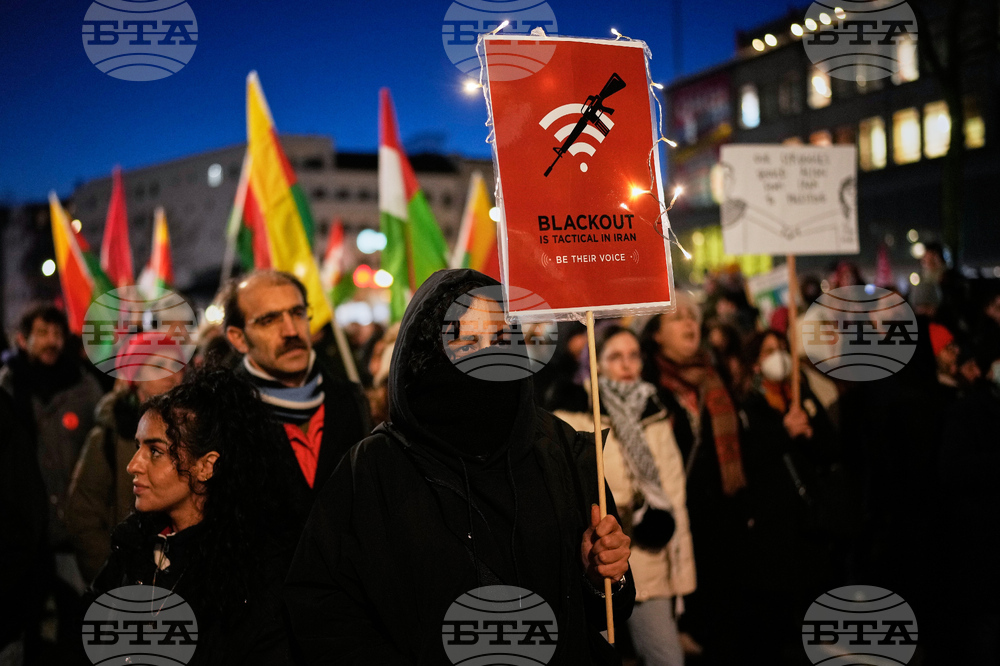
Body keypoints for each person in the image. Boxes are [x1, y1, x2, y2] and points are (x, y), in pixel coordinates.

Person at [285, 269, 634, 664]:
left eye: (501, 340)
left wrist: (604, 576)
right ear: (429, 355)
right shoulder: (374, 468)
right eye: (467, 344)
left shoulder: (559, 449)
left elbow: (608, 605)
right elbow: (323, 610)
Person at [87, 367, 300, 665]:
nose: (133, 465)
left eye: (155, 451)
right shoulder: (133, 547)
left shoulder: (250, 570)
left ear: (206, 466)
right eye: (138, 447)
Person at [556, 325, 694, 666]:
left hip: (651, 563)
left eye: (634, 356)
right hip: (600, 566)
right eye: (615, 357)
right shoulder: (573, 417)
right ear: (597, 362)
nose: (627, 365)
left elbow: (675, 496)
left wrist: (680, 575)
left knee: (667, 658)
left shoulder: (654, 414)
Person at [639, 299, 749, 664]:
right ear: (656, 334)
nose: (690, 324)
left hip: (723, 518)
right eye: (678, 318)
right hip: (680, 522)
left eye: (693, 317)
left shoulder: (713, 374)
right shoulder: (647, 386)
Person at [0, 303, 105, 660]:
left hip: (70, 530)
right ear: (23, 339)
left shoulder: (84, 386)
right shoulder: (9, 387)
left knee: (76, 616)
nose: (52, 341)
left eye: (58, 333)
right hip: (24, 528)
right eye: (42, 333)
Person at [220, 270, 372, 518]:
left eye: (298, 313)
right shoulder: (220, 412)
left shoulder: (351, 399)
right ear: (238, 339)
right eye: (269, 320)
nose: (291, 331)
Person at [737, 329, 842, 661]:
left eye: (782, 348)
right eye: (769, 351)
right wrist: (784, 434)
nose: (778, 355)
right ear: (755, 364)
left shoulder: (801, 394)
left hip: (807, 523)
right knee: (776, 621)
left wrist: (810, 433)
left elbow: (831, 450)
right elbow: (751, 459)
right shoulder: (748, 406)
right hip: (773, 524)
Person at [65, 332, 187, 583]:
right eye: (158, 365)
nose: (171, 374)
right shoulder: (109, 436)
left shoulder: (192, 431)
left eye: (176, 365)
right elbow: (83, 513)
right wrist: (110, 572)